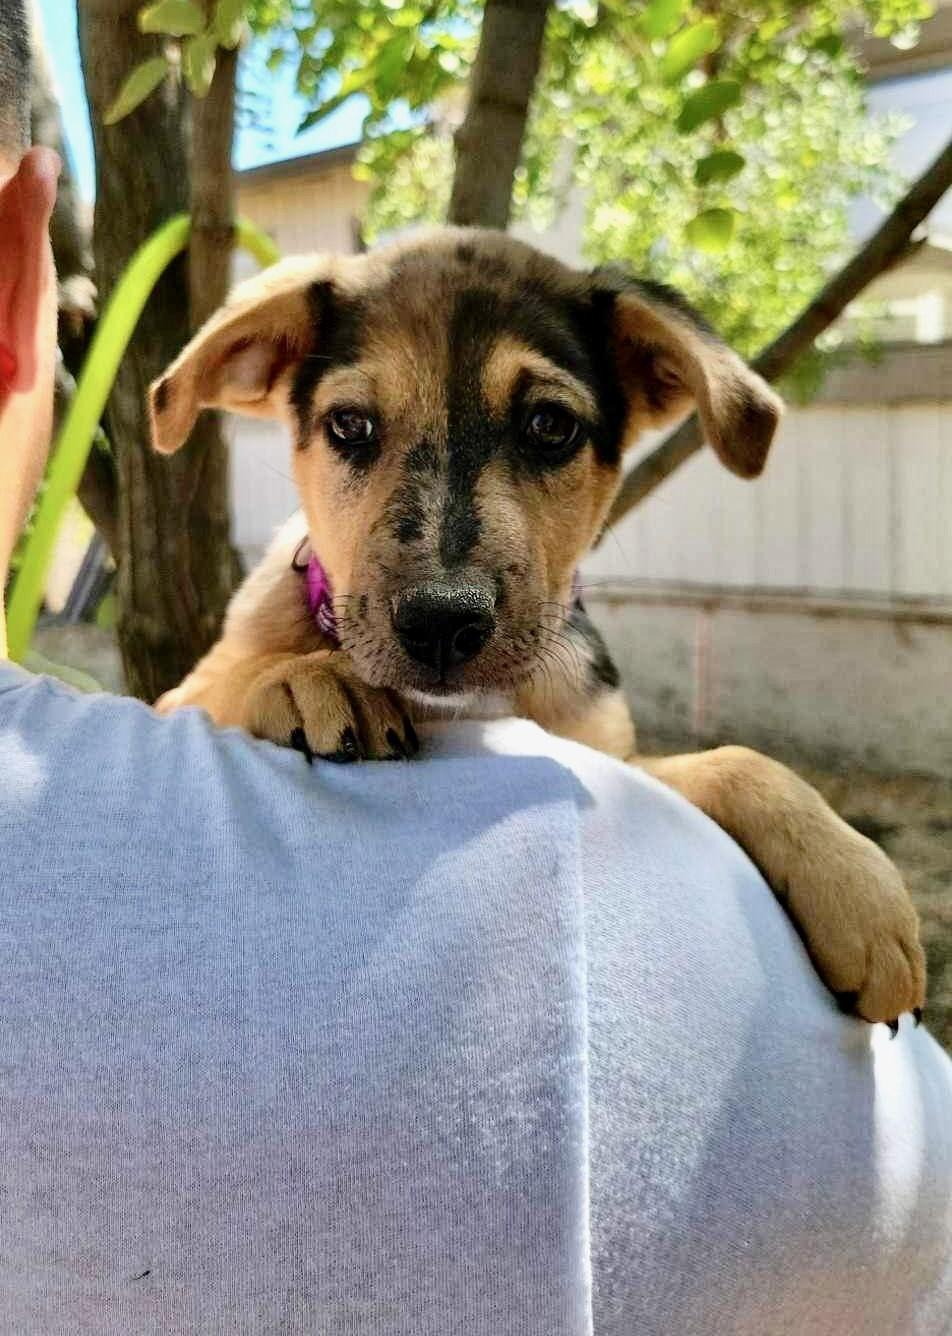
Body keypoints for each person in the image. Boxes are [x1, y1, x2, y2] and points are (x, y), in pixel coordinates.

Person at [2, 6, 951, 1332]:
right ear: (269, 388)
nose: (446, 573)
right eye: (356, 431)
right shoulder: (273, 635)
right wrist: (251, 700)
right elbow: (178, 733)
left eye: (546, 431)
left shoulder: (578, 690)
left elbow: (622, 801)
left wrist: (748, 791)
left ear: (646, 409)